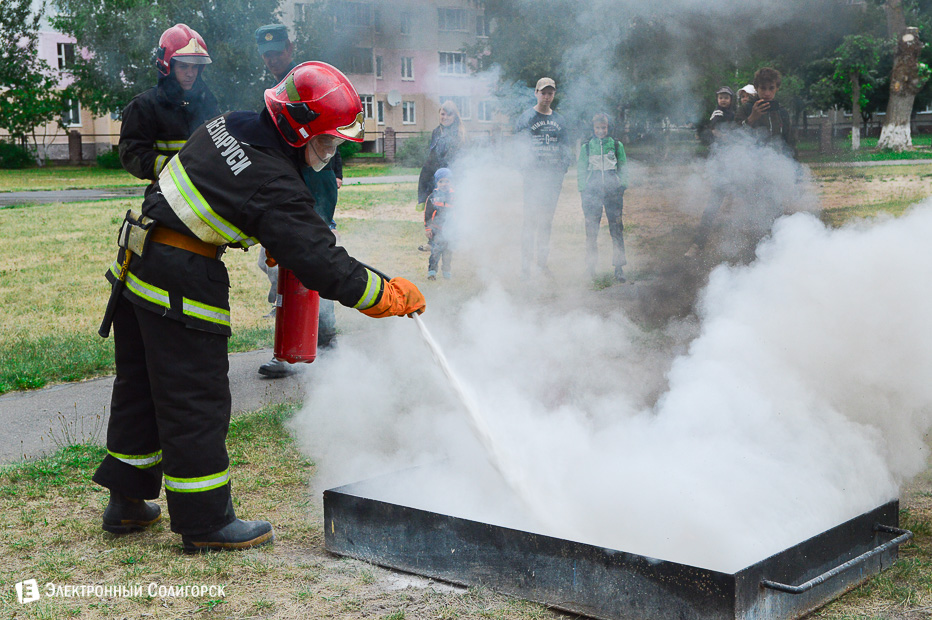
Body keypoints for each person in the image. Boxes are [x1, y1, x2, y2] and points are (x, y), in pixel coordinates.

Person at [94, 62, 425, 553]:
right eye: (329, 141)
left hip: (138, 262)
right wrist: (386, 295)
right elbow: (322, 263)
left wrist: (263, 232)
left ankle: (126, 503)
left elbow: (214, 188)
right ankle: (206, 523)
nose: (332, 151)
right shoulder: (273, 181)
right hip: (182, 278)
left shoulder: (228, 124)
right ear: (297, 131)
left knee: (140, 388)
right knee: (195, 400)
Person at [254, 24, 344, 378]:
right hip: (282, 192)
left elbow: (333, 125)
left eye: (277, 51)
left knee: (317, 263)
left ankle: (324, 343)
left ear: (291, 48)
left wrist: (335, 168)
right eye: (266, 54)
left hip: (313, 190)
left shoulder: (308, 82)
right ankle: (293, 345)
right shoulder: (270, 93)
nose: (272, 58)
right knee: (275, 267)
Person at [119, 24, 219, 185]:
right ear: (167, 66)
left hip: (206, 190)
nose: (191, 73)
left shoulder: (207, 100)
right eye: (183, 66)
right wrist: (173, 168)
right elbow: (131, 153)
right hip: (165, 194)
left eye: (195, 67)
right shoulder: (144, 105)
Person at [514, 77, 573, 278]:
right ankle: (525, 267)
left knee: (546, 222)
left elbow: (566, 148)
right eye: (543, 93)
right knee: (530, 221)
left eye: (550, 93)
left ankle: (542, 264)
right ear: (536, 93)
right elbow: (518, 148)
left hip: (552, 180)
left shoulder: (559, 120)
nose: (547, 97)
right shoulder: (526, 118)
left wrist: (561, 170)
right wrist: (527, 170)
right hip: (533, 179)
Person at [685, 86, 737, 258]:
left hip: (739, 169)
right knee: (712, 208)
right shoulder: (718, 113)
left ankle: (743, 246)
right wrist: (721, 137)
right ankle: (698, 245)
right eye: (721, 97)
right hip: (722, 166)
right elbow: (713, 130)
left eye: (726, 98)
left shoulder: (736, 115)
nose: (723, 100)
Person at [577, 113, 629, 282]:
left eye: (604, 127)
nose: (601, 131)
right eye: (598, 128)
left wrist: (623, 185)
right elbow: (581, 169)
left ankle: (619, 267)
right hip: (592, 192)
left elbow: (623, 165)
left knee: (616, 229)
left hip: (613, 191)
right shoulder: (586, 147)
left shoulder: (615, 145)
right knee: (591, 231)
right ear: (593, 128)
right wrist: (583, 189)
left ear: (608, 127)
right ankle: (590, 267)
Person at [416, 100, 467, 212]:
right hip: (435, 175)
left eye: (449, 114)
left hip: (450, 177)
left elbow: (455, 160)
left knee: (449, 211)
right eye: (443, 114)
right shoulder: (436, 132)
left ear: (455, 116)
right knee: (434, 212)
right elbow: (432, 156)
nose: (445, 117)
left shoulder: (458, 133)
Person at [735, 68, 796, 157]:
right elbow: (734, 135)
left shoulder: (782, 111)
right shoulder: (746, 108)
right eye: (763, 88)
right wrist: (751, 118)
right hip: (751, 161)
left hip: (778, 162)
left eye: (771, 88)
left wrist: (795, 166)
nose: (767, 93)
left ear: (777, 88)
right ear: (756, 88)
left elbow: (789, 142)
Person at [424, 168, 456, 280]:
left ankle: (446, 272)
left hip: (451, 230)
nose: (444, 184)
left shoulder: (455, 196)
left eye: (447, 181)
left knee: (448, 252)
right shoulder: (433, 196)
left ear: (451, 182)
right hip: (436, 229)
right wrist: (428, 228)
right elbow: (427, 214)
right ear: (437, 182)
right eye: (441, 181)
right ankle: (432, 272)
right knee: (435, 251)